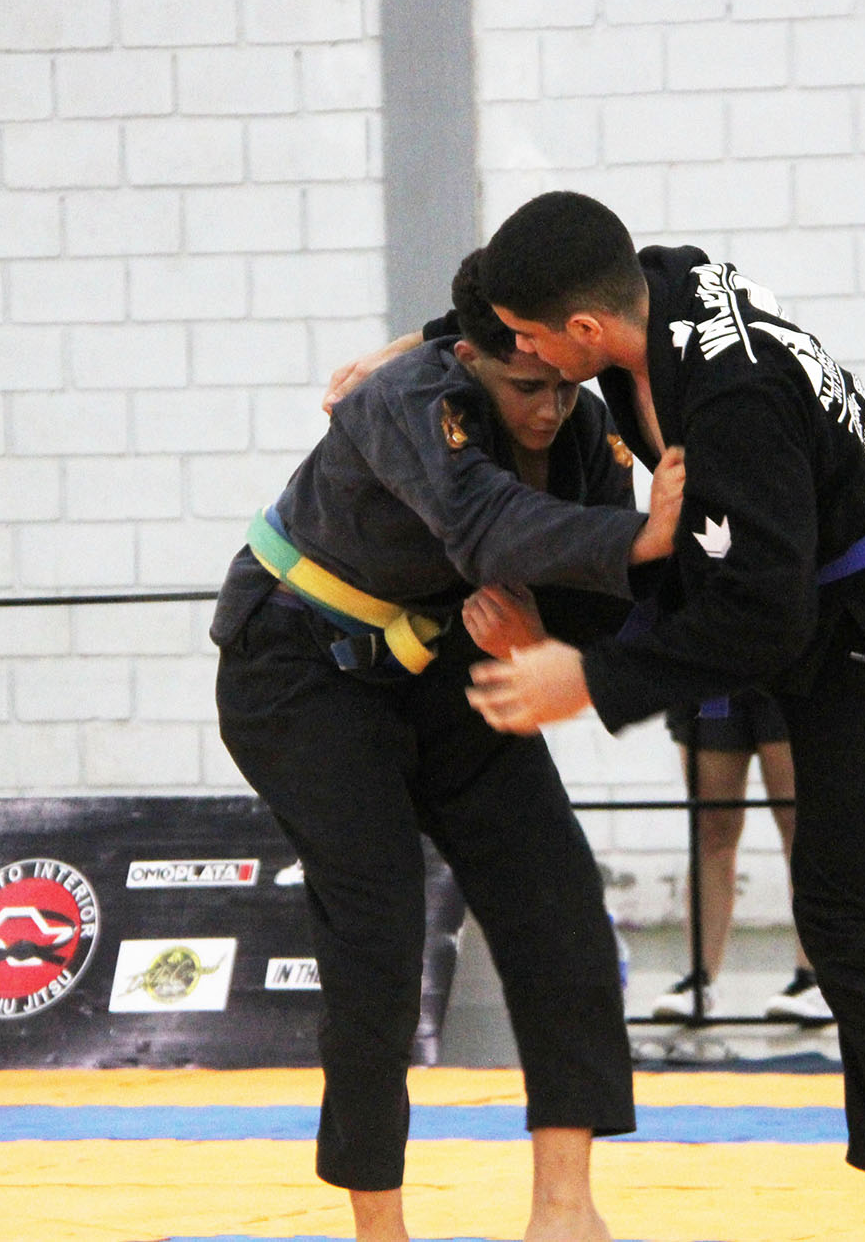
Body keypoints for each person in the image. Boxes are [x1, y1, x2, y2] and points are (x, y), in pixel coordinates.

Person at [459, 191, 865, 1242]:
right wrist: (403, 351)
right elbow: (528, 296)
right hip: (775, 580)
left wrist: (589, 683)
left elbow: (762, 622)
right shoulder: (657, 282)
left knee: (848, 917)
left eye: (530, 341)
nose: (525, 358)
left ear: (585, 329)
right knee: (621, 574)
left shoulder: (733, 399)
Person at [211, 251, 684, 1242]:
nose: (550, 406)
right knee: (380, 930)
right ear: (470, 356)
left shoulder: (581, 420)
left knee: (558, 899)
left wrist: (543, 635)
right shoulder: (404, 395)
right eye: (525, 387)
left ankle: (565, 1209)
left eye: (564, 384)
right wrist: (642, 537)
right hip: (298, 664)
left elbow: (596, 609)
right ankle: (377, 1227)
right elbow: (484, 523)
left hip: (447, 661)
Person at [649, 690, 829, 1024]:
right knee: (711, 827)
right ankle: (700, 980)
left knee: (800, 824)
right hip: (715, 684)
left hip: (787, 677)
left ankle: (815, 980)